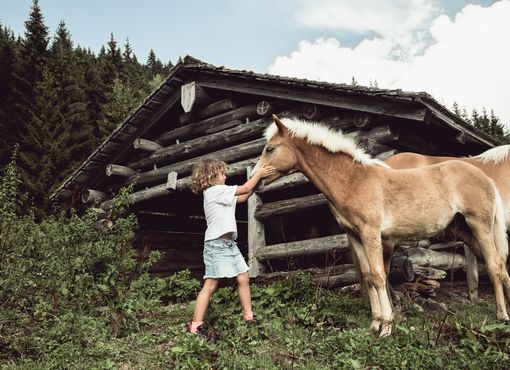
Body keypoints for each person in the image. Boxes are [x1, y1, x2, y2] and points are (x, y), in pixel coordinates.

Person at [188, 158, 275, 338]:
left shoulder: (221, 193)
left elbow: (242, 196)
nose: (225, 176)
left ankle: (249, 318)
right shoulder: (213, 191)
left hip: (228, 245)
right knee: (211, 284)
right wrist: (258, 174)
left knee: (243, 277)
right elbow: (243, 188)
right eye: (222, 173)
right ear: (212, 176)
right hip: (215, 244)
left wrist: (256, 183)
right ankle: (196, 326)